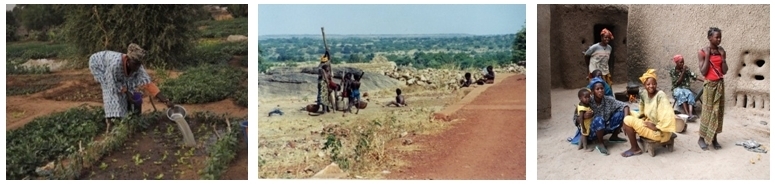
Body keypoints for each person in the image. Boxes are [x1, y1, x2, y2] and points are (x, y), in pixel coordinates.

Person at [88, 43, 174, 134]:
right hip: (99, 66)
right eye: (135, 64)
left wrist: (165, 100)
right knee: (112, 94)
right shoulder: (115, 64)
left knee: (130, 89)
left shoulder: (138, 66)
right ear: (127, 60)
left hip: (114, 70)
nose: (137, 67)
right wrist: (126, 92)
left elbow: (147, 83)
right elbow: (112, 83)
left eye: (139, 65)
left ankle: (129, 118)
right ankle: (111, 124)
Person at [620, 69, 677, 157]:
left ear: (656, 84)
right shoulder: (644, 94)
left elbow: (668, 117)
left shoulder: (661, 96)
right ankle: (636, 134)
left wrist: (655, 127)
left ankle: (635, 149)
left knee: (627, 119)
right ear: (644, 85)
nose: (651, 86)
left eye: (654, 84)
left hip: (660, 132)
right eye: (648, 84)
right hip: (649, 122)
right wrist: (641, 121)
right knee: (628, 113)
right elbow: (641, 112)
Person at [568, 77, 629, 155]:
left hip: (604, 127)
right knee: (599, 119)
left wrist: (625, 121)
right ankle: (600, 143)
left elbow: (625, 106)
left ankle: (614, 136)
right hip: (591, 132)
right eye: (597, 89)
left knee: (621, 114)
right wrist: (583, 117)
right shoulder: (587, 101)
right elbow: (575, 118)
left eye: (602, 88)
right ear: (593, 91)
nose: (600, 90)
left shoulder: (608, 100)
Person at [697, 27, 728, 151]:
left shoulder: (721, 51)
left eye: (720, 37)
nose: (719, 39)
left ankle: (714, 138)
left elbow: (724, 71)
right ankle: (701, 138)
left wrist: (723, 58)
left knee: (718, 112)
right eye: (717, 37)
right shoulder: (702, 52)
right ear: (710, 38)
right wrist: (708, 55)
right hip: (710, 85)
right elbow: (703, 71)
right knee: (708, 112)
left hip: (720, 84)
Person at [670, 54, 703, 121]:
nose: (682, 64)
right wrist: (683, 72)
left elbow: (694, 76)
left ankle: (690, 115)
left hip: (685, 89)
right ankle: (687, 114)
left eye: (683, 62)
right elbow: (677, 83)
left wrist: (705, 80)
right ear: (676, 63)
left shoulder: (686, 69)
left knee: (689, 94)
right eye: (680, 62)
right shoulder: (672, 71)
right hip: (676, 89)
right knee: (681, 93)